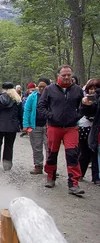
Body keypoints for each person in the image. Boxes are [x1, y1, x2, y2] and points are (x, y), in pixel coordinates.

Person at [37, 65, 85, 195]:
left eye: (68, 74)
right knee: (52, 152)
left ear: (71, 74)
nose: (66, 77)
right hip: (54, 126)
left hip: (71, 127)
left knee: (72, 154)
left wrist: (77, 116)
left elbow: (83, 107)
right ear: (59, 75)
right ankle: (50, 176)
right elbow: (41, 106)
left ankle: (74, 183)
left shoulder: (77, 90)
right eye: (64, 75)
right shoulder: (49, 90)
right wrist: (51, 116)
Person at [0, 82, 23, 170]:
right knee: (9, 145)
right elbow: (20, 114)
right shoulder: (17, 100)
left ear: (3, 89)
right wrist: (22, 125)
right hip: (12, 126)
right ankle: (7, 165)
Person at [22, 78, 51, 174]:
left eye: (44, 86)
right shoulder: (32, 97)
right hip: (34, 126)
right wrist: (25, 125)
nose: (41, 88)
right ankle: (38, 166)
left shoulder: (52, 96)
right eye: (40, 86)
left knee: (49, 147)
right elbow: (27, 110)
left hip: (49, 126)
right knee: (36, 147)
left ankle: (50, 167)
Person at [78, 79, 100, 184]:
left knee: (95, 153)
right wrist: (86, 105)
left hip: (96, 129)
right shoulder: (84, 99)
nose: (93, 91)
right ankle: (80, 174)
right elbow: (84, 111)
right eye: (91, 89)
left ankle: (96, 177)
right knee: (84, 152)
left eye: (95, 88)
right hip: (85, 127)